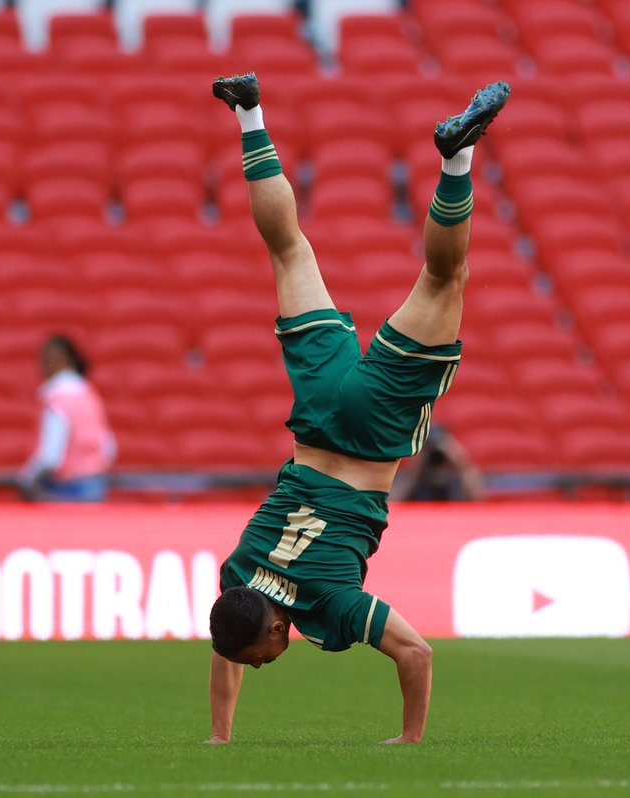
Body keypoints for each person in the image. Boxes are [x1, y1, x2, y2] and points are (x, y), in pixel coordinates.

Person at [205, 72, 509, 745]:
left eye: (262, 657)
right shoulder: (236, 578)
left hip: (373, 433)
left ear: (279, 629)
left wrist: (409, 740)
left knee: (445, 278)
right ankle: (251, 112)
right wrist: (219, 736)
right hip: (318, 411)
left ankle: (456, 160)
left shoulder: (329, 607)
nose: (260, 665)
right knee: (288, 252)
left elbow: (417, 652)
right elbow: (227, 649)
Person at [18, 334, 117, 502]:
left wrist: (27, 477)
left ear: (59, 360)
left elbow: (51, 457)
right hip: (95, 483)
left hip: (67, 488)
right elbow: (109, 446)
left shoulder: (57, 399)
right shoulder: (89, 395)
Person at [390, 426, 485, 501]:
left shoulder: (455, 480)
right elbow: (394, 502)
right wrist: (416, 468)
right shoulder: (413, 480)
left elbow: (477, 497)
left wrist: (459, 460)